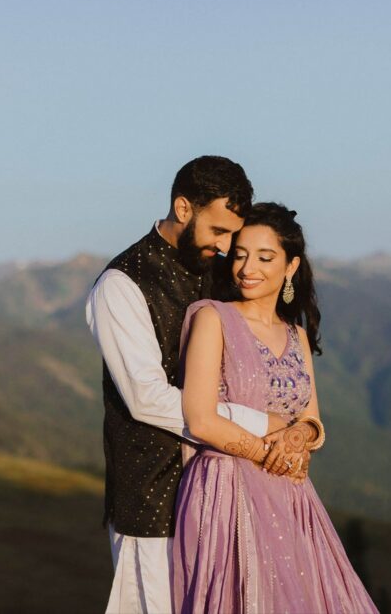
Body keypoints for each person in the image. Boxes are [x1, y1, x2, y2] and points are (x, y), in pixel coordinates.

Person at [85, 157, 304, 614]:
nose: (227, 248)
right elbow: (147, 399)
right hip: (154, 500)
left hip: (227, 497)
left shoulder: (217, 272)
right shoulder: (121, 284)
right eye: (219, 232)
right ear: (183, 208)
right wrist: (261, 424)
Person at [172, 202, 378, 613]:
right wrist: (270, 453)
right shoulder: (214, 319)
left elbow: (311, 418)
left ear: (290, 266)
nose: (248, 268)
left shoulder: (296, 335)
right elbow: (199, 418)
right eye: (241, 254)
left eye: (265, 258)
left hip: (289, 495)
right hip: (225, 489)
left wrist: (301, 435)